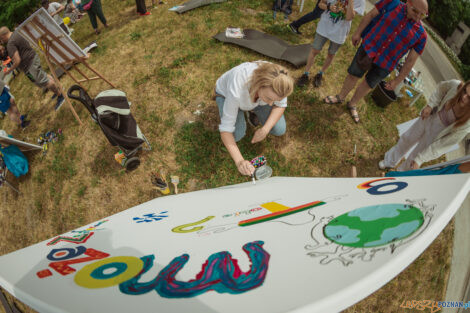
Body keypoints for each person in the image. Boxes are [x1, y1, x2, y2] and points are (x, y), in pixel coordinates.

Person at [324, 0, 428, 123]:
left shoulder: (421, 35)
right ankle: (340, 97)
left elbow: (410, 61)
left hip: (386, 63)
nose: (417, 17)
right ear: (408, 3)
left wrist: (397, 81)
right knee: (353, 75)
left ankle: (352, 103)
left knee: (368, 84)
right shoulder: (391, 3)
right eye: (415, 11)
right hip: (369, 48)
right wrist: (358, 33)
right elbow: (371, 15)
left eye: (422, 15)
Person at [215, 61, 294, 176]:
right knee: (236, 134)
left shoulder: (280, 82)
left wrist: (265, 129)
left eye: (275, 100)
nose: (271, 104)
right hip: (226, 95)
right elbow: (226, 130)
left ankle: (249, 109)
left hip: (252, 99)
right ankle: (239, 108)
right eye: (269, 98)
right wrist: (240, 161)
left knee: (279, 129)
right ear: (259, 84)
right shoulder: (237, 89)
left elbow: (280, 105)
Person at [379, 80, 470, 171]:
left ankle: (399, 174)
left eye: (469, 97)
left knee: (414, 158)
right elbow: (440, 90)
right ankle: (389, 160)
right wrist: (430, 106)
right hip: (429, 118)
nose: (464, 97)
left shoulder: (467, 124)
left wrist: (420, 159)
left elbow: (444, 143)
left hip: (436, 135)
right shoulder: (456, 85)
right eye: (465, 91)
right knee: (408, 138)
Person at [296, 0, 365, 88]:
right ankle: (305, 74)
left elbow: (349, 17)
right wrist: (329, 7)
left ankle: (320, 74)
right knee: (315, 50)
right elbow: (321, 4)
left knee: (331, 54)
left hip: (340, 31)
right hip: (324, 26)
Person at [0, 27, 65, 111]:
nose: (1, 41)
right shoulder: (17, 33)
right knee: (43, 76)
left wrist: (10, 69)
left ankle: (61, 95)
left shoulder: (10, 44)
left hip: (29, 64)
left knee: (44, 81)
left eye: (1, 39)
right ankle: (58, 88)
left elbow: (17, 60)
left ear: (3, 36)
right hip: (33, 57)